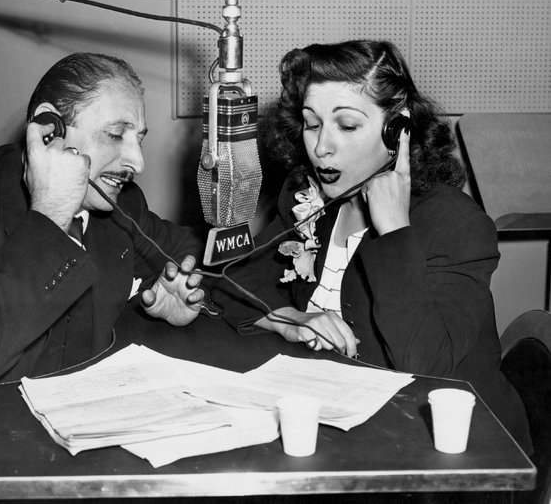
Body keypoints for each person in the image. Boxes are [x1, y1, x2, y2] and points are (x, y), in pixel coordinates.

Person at [0, 52, 205, 502]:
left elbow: (184, 249)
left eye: (139, 138)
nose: (136, 161)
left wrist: (176, 292)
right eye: (116, 135)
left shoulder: (117, 203)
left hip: (68, 456)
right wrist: (50, 213)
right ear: (49, 131)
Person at [211, 39, 533, 454]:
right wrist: (285, 316)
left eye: (346, 125)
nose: (321, 146)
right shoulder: (307, 196)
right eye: (312, 123)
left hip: (451, 447)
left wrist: (395, 230)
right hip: (345, 426)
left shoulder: (455, 223)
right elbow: (233, 282)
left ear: (395, 130)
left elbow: (425, 362)